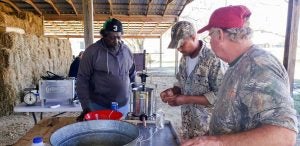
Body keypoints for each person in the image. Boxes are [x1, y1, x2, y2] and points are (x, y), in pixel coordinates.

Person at [182, 5, 298, 146]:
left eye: (210, 36)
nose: (210, 41)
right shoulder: (236, 64)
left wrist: (218, 142)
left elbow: (285, 136)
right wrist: (206, 138)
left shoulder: (259, 66)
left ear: (219, 34)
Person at [160, 21, 225, 140]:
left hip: (207, 131)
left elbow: (220, 96)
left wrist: (185, 99)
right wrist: (173, 91)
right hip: (187, 126)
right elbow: (181, 83)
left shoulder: (213, 59)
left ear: (194, 37)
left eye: (181, 44)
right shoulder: (184, 59)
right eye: (176, 45)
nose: (178, 48)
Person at [76, 18, 136, 121]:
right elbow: (82, 80)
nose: (116, 41)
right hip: (99, 106)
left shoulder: (127, 51)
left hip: (123, 106)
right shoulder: (92, 52)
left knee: (120, 134)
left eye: (118, 37)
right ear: (104, 35)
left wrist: (135, 97)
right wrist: (86, 106)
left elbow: (132, 74)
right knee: (99, 135)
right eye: (112, 37)